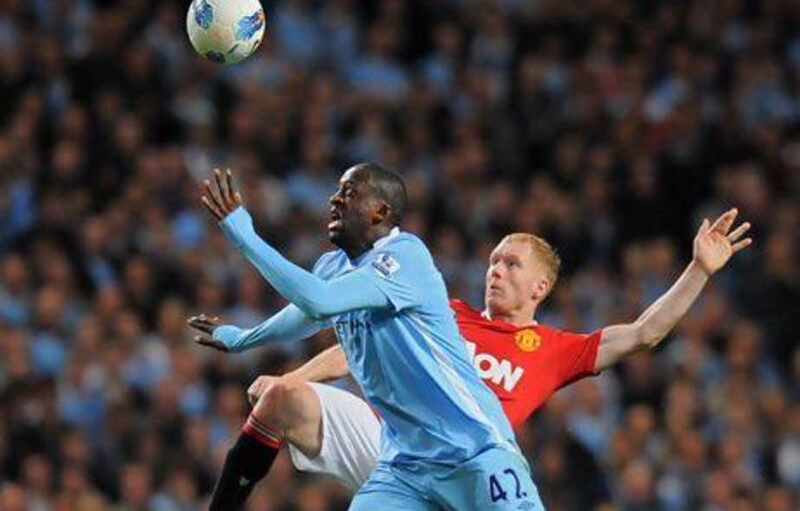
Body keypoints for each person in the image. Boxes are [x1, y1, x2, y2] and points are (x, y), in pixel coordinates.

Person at [190, 208, 752, 500]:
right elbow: (352, 346)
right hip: (394, 453)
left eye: (511, 263)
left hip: (470, 470)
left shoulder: (556, 350)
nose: (496, 270)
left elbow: (644, 333)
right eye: (492, 261)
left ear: (541, 288)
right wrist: (289, 374)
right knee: (285, 398)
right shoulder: (448, 314)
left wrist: (699, 271)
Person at [198, 165, 542, 510]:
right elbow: (302, 317)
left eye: (349, 193)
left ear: (380, 210)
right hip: (404, 466)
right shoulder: (333, 268)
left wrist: (245, 237)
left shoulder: (406, 257)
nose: (335, 199)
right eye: (337, 191)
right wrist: (243, 339)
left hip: (474, 450)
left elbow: (318, 303)